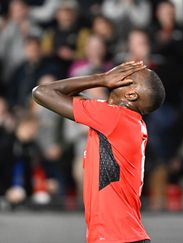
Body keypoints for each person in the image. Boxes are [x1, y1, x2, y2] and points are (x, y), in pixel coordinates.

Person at [32, 61, 165, 243]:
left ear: (131, 94)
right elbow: (63, 94)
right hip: (122, 236)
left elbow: (42, 92)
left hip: (116, 238)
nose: (119, 73)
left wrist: (102, 79)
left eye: (128, 76)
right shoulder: (121, 119)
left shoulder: (114, 118)